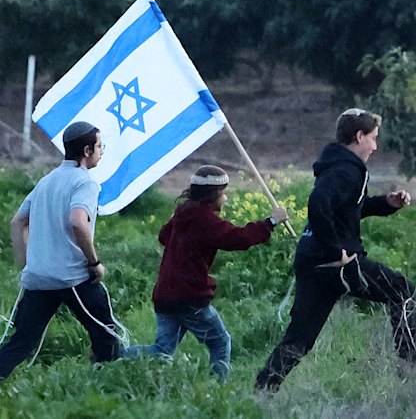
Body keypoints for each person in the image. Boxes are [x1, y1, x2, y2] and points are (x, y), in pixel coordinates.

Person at [256, 108, 415, 392]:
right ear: (359, 136)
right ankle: (409, 365)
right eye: (373, 138)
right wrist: (335, 250)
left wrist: (387, 203)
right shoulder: (347, 169)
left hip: (312, 261)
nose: (375, 147)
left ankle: (261, 392)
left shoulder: (335, 165)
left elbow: (350, 208)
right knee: (404, 292)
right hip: (335, 263)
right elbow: (318, 203)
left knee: (299, 339)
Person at [0, 121, 124, 383]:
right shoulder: (85, 183)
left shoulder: (47, 181)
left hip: (39, 277)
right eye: (99, 146)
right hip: (73, 277)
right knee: (106, 334)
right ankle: (106, 389)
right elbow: (78, 222)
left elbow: (17, 221)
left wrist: (26, 262)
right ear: (86, 150)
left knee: (21, 342)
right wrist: (94, 262)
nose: (101, 151)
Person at [123, 165, 288, 381]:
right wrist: (271, 222)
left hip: (165, 294)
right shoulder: (204, 219)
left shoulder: (183, 212)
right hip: (189, 296)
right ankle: (217, 388)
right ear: (213, 195)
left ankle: (113, 355)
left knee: (162, 350)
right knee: (220, 342)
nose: (226, 198)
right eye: (223, 193)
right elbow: (237, 238)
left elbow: (164, 235)